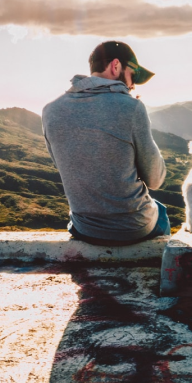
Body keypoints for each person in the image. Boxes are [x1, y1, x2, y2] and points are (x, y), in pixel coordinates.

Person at [42, 41, 169, 246]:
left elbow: (66, 165)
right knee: (160, 211)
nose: (132, 85)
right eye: (132, 76)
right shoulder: (132, 108)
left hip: (84, 228)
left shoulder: (50, 110)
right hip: (132, 227)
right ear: (116, 66)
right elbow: (155, 179)